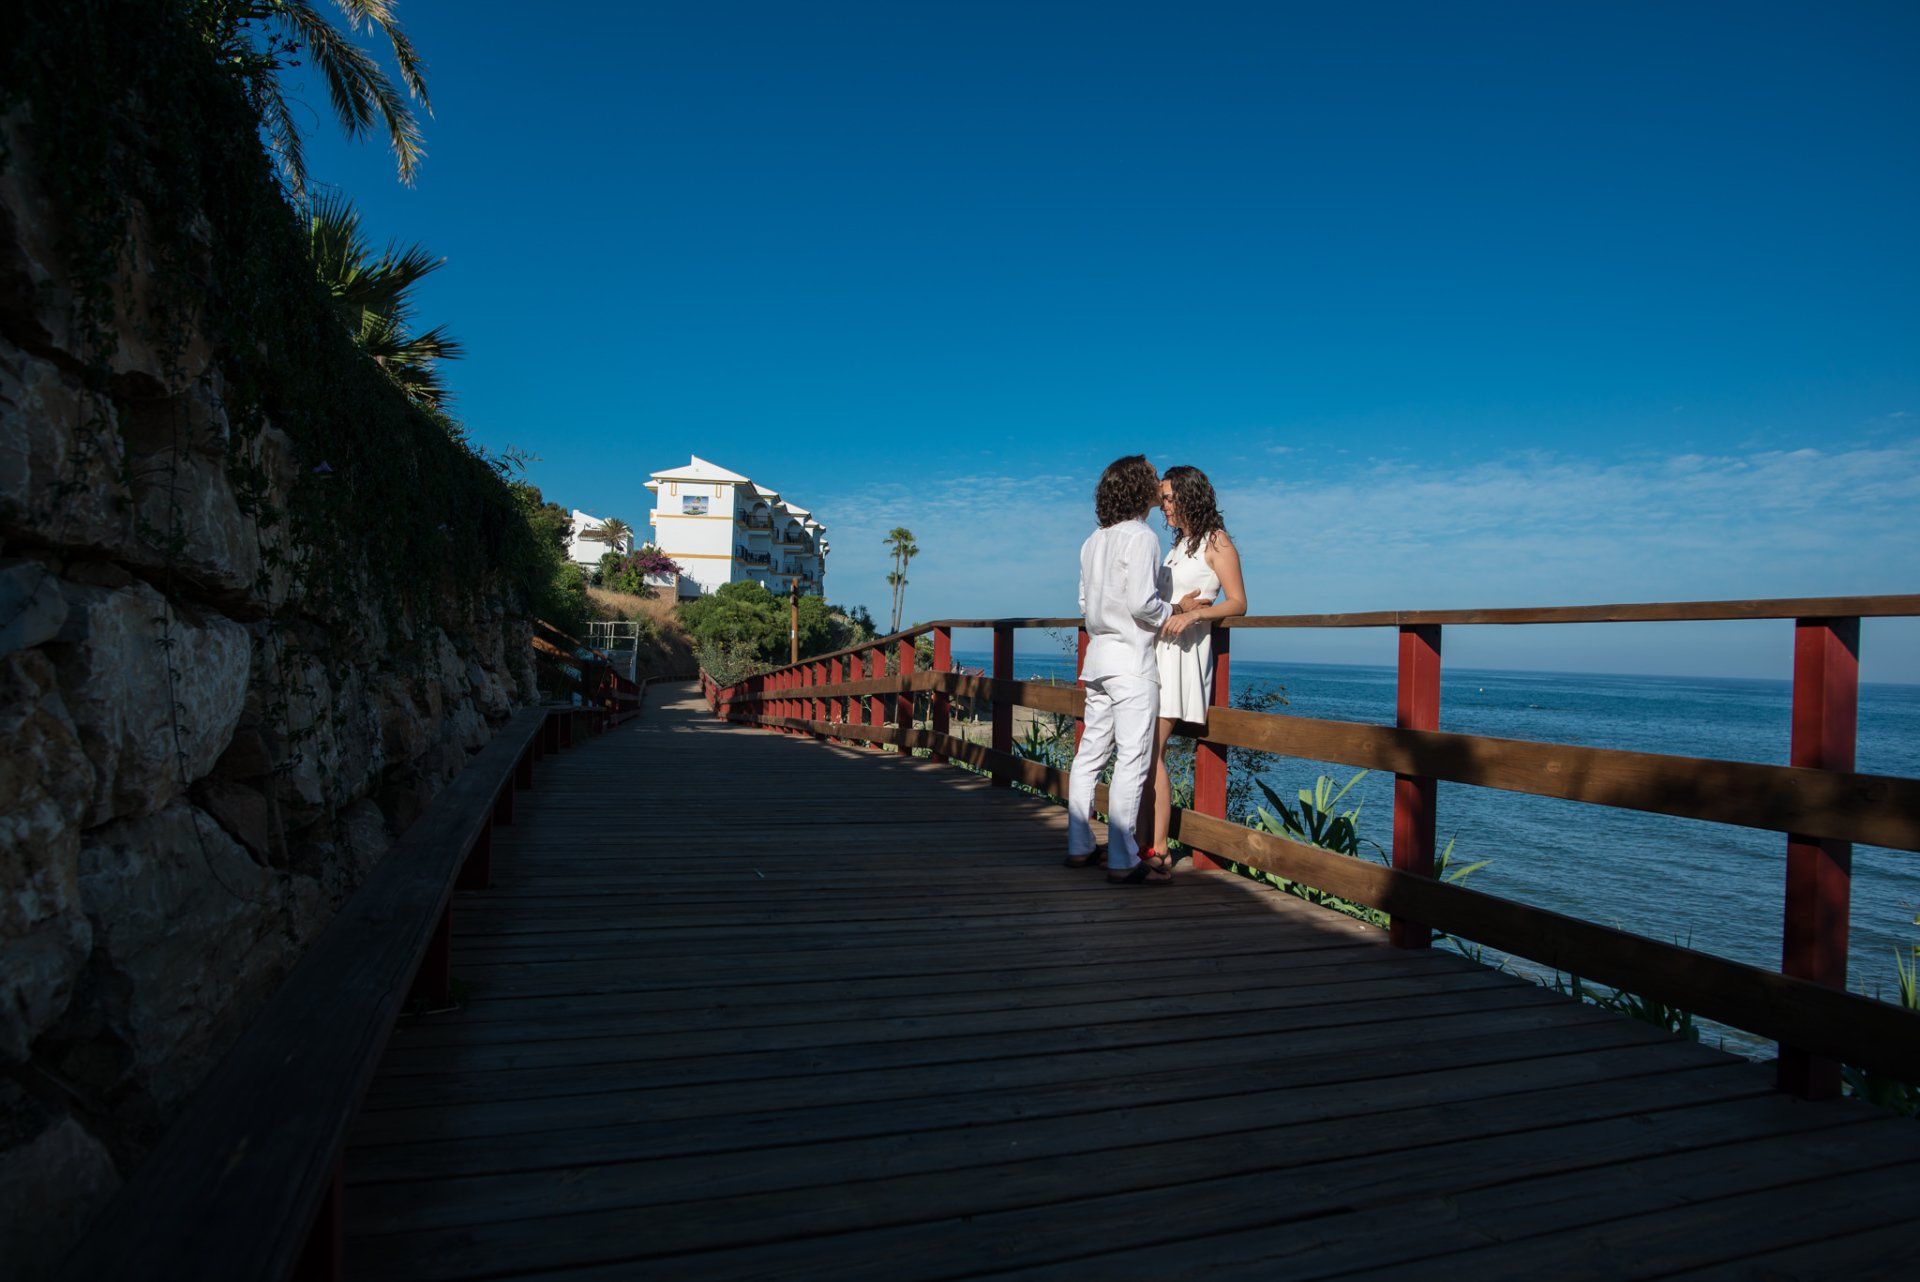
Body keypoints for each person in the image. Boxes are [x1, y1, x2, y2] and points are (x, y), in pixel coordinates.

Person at [1065, 455, 1193, 884]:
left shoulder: (1092, 541)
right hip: (1132, 662)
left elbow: (1084, 603)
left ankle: (1079, 845)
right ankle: (1123, 859)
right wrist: (1173, 610)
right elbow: (1141, 602)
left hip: (1098, 659)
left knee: (1089, 756)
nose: (1159, 482)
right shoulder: (1142, 537)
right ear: (1139, 486)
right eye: (1152, 476)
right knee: (1133, 759)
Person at [1142, 465, 1247, 874]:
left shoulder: (1216, 541)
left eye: (1169, 498)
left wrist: (1194, 616)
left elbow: (1238, 602)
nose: (1163, 506)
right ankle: (1142, 843)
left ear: (1190, 496)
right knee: (1143, 750)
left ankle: (1158, 850)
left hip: (1182, 658)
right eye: (1163, 498)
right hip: (1157, 653)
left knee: (1150, 750)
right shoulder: (1179, 544)